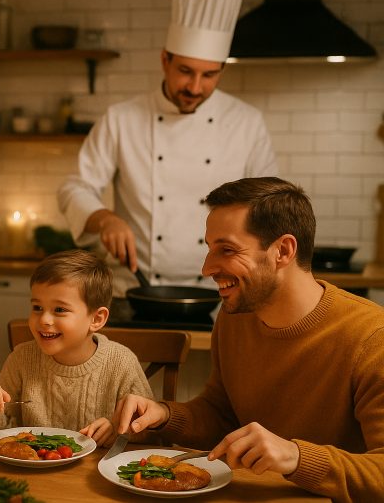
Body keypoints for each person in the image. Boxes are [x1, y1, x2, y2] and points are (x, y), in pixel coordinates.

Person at [113, 177, 384, 502]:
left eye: (227, 250)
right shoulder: (235, 318)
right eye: (209, 248)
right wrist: (164, 415)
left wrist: (295, 457)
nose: (207, 268)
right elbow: (221, 414)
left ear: (283, 250)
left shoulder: (372, 337)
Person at [58, 0, 278, 301]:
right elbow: (74, 189)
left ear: (222, 70)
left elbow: (270, 207)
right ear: (165, 60)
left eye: (209, 75)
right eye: (185, 71)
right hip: (134, 291)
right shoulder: (121, 119)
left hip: (221, 293)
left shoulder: (247, 123)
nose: (195, 87)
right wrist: (104, 220)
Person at [0, 249, 152, 446]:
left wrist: (118, 431)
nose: (44, 319)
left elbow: (149, 435)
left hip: (98, 465)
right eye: (37, 307)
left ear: (96, 319)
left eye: (59, 309)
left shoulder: (121, 362)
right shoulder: (22, 358)